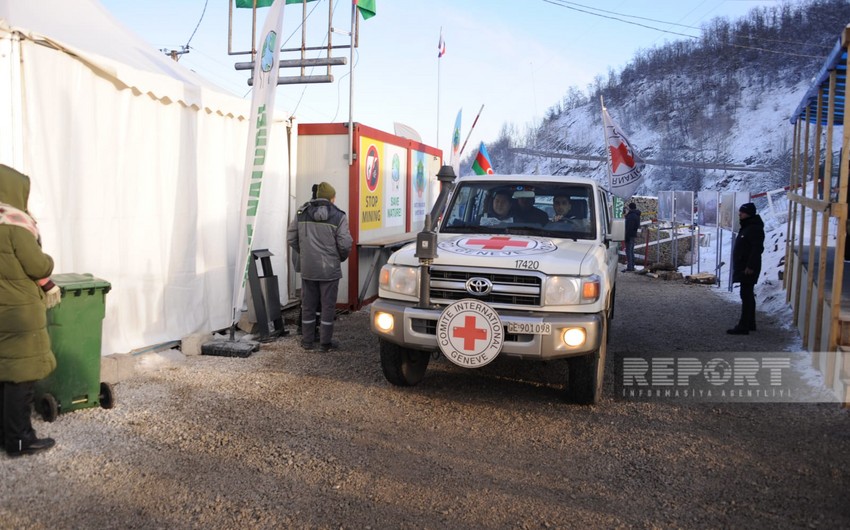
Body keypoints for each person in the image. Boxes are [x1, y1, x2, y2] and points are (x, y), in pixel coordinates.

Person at [0, 164, 59, 457]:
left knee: (3, 371)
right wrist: (47, 261)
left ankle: (5, 435)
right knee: (21, 374)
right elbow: (36, 265)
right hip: (19, 311)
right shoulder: (14, 225)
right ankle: (21, 439)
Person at [287, 181, 352, 352]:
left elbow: (291, 238)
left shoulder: (302, 213)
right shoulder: (339, 216)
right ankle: (325, 343)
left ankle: (307, 341)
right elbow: (345, 244)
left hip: (308, 269)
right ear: (332, 198)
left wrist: (306, 253)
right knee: (327, 307)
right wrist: (340, 258)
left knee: (308, 306)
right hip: (329, 269)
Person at [727, 202, 764, 335]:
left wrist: (750, 266)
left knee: (746, 294)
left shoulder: (754, 228)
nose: (739, 214)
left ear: (747, 213)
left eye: (742, 212)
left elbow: (757, 248)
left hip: (748, 267)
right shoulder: (749, 226)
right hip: (745, 265)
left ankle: (744, 325)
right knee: (747, 294)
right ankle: (750, 323)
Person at [623, 202, 641, 272]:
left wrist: (626, 236)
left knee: (628, 251)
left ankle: (630, 267)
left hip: (629, 235)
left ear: (630, 208)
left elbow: (628, 227)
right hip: (633, 234)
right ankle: (632, 265)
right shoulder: (637, 215)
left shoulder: (631, 216)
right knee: (631, 251)